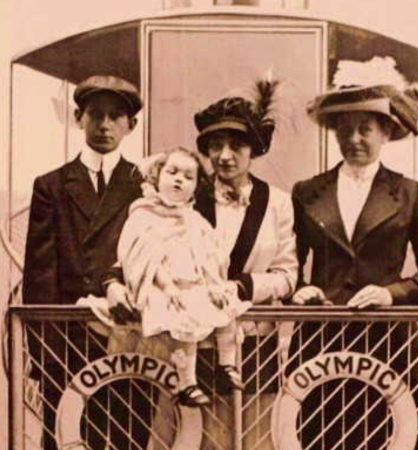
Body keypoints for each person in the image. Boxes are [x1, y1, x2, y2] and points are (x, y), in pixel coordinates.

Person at [106, 79, 298, 447]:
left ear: (253, 149)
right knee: (186, 438)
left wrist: (243, 286)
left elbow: (288, 275)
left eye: (236, 145)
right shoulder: (179, 198)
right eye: (215, 146)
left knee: (253, 439)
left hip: (253, 345)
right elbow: (135, 255)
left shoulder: (278, 203)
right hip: (187, 343)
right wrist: (113, 285)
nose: (225, 155)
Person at [287, 84, 418, 450]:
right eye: (345, 129)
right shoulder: (307, 192)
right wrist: (301, 289)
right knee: (319, 439)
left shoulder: (410, 193)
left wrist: (391, 294)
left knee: (394, 439)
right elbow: (287, 264)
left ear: (387, 132)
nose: (354, 139)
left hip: (389, 344)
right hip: (320, 343)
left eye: (365, 129)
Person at [22, 75, 148, 450]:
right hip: (70, 344)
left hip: (128, 342)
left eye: (115, 116)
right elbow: (40, 277)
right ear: (79, 118)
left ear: (131, 125)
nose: (105, 125)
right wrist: (45, 356)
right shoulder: (52, 186)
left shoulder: (144, 184)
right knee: (66, 439)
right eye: (95, 115)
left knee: (129, 438)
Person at [108, 146, 251, 406]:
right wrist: (169, 286)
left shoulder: (194, 220)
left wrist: (214, 285)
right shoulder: (144, 215)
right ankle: (187, 383)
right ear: (156, 177)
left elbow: (209, 257)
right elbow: (147, 257)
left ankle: (227, 366)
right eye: (172, 172)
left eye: (188, 177)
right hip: (164, 286)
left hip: (195, 283)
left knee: (227, 303)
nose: (178, 180)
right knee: (185, 321)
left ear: (195, 187)